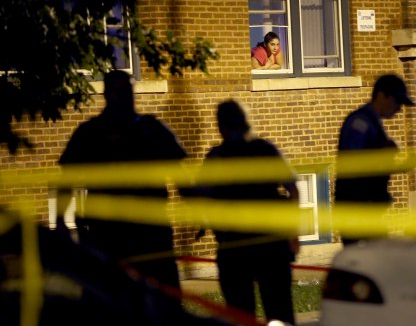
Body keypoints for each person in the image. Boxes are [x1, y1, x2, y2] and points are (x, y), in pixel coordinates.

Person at [57, 70, 187, 323]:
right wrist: (62, 222)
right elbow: (67, 181)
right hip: (105, 236)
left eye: (127, 91)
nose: (124, 97)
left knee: (162, 303)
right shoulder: (90, 133)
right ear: (107, 95)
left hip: (151, 234)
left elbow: (181, 175)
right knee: (106, 304)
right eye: (119, 91)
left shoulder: (152, 129)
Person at [198, 99, 299, 324]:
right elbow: (293, 191)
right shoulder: (266, 150)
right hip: (271, 245)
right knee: (280, 311)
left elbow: (203, 198)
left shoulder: (216, 157)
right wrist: (293, 234)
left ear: (221, 126)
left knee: (240, 314)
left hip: (235, 247)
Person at [335, 73, 415, 246]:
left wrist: (400, 166)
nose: (400, 108)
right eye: (397, 101)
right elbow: (356, 165)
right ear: (382, 96)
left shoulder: (372, 123)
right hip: (357, 211)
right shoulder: (361, 123)